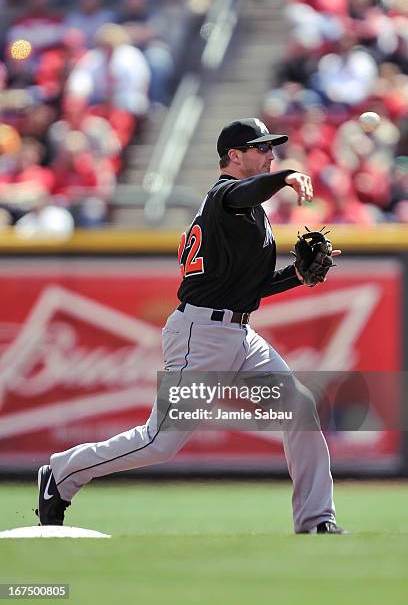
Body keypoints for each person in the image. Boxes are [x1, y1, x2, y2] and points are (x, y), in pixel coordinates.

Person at [35, 117, 345, 534]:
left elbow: (246, 288)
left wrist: (297, 276)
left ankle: (316, 521)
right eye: (262, 147)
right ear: (234, 156)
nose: (271, 154)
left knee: (299, 407)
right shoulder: (225, 196)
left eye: (273, 148)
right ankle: (61, 473)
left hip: (239, 337)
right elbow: (244, 190)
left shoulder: (247, 211)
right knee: (159, 441)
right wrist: (287, 176)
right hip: (201, 338)